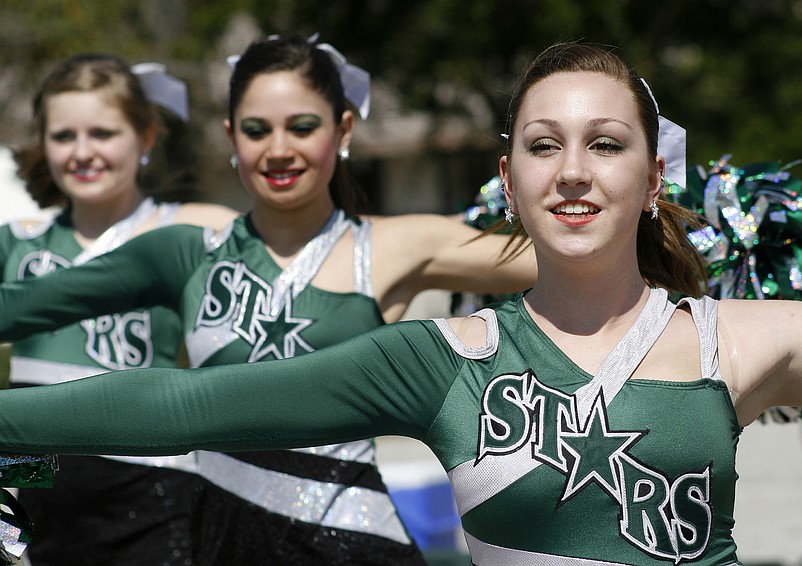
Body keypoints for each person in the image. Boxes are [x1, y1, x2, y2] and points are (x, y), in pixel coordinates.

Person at [4, 39, 802, 565]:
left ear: (655, 175)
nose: (575, 170)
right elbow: (182, 403)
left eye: (607, 145)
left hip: (341, 536)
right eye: (544, 146)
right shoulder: (442, 359)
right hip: (164, 517)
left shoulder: (739, 343)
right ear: (509, 182)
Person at [0, 36, 537, 565]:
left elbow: (580, 259)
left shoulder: (393, 246)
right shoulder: (189, 249)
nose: (279, 149)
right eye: (257, 130)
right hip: (217, 541)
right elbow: (24, 306)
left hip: (354, 545)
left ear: (342, 128)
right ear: (232, 137)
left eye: (302, 127)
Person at [1, 54, 238, 566]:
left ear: (146, 137)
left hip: (156, 507)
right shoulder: (15, 246)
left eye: (103, 133)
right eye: (64, 136)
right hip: (45, 520)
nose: (83, 153)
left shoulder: (190, 232)